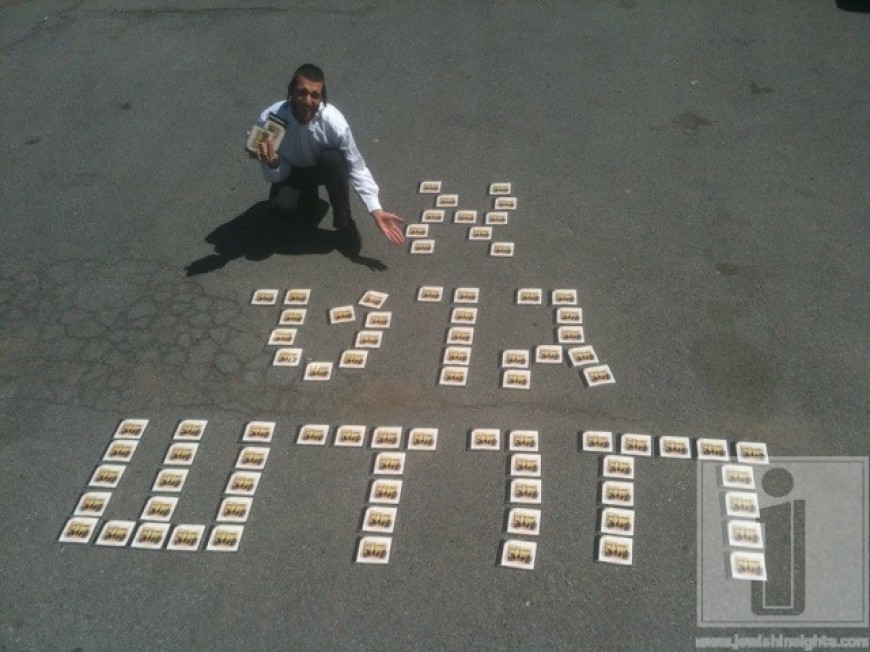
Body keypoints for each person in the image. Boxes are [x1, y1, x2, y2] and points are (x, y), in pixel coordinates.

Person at [251, 63, 405, 257]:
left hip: (322, 169)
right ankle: (308, 200)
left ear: (322, 98)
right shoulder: (269, 119)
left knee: (333, 160)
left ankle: (344, 223)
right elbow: (271, 176)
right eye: (302, 93)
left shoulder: (334, 123)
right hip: (288, 171)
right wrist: (273, 164)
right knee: (282, 216)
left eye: (315, 95)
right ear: (291, 93)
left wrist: (376, 210)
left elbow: (356, 168)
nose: (307, 101)